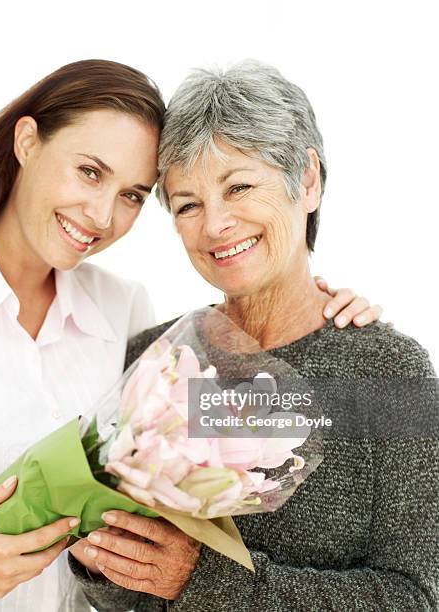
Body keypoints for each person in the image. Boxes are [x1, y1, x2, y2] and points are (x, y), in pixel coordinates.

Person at [0, 59, 380, 611]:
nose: (100, 215)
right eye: (90, 172)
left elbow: (204, 429)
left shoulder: (123, 312)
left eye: (133, 195)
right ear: (27, 141)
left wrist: (317, 316)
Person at [68, 61, 439, 611]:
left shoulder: (384, 372)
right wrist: (96, 559)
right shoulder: (154, 359)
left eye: (239, 186)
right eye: (189, 205)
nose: (215, 225)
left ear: (308, 180)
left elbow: (416, 597)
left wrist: (207, 580)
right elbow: (116, 594)